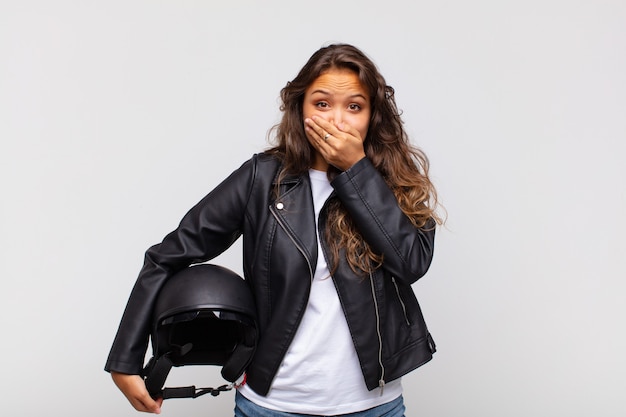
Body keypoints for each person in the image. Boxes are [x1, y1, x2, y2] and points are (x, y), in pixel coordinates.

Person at [105, 43, 443, 416]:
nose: (337, 120)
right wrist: (126, 359)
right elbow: (166, 256)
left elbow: (411, 262)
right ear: (300, 108)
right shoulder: (262, 179)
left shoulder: (394, 181)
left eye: (354, 107)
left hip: (373, 407)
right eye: (322, 103)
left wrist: (357, 171)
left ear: (371, 116)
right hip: (272, 406)